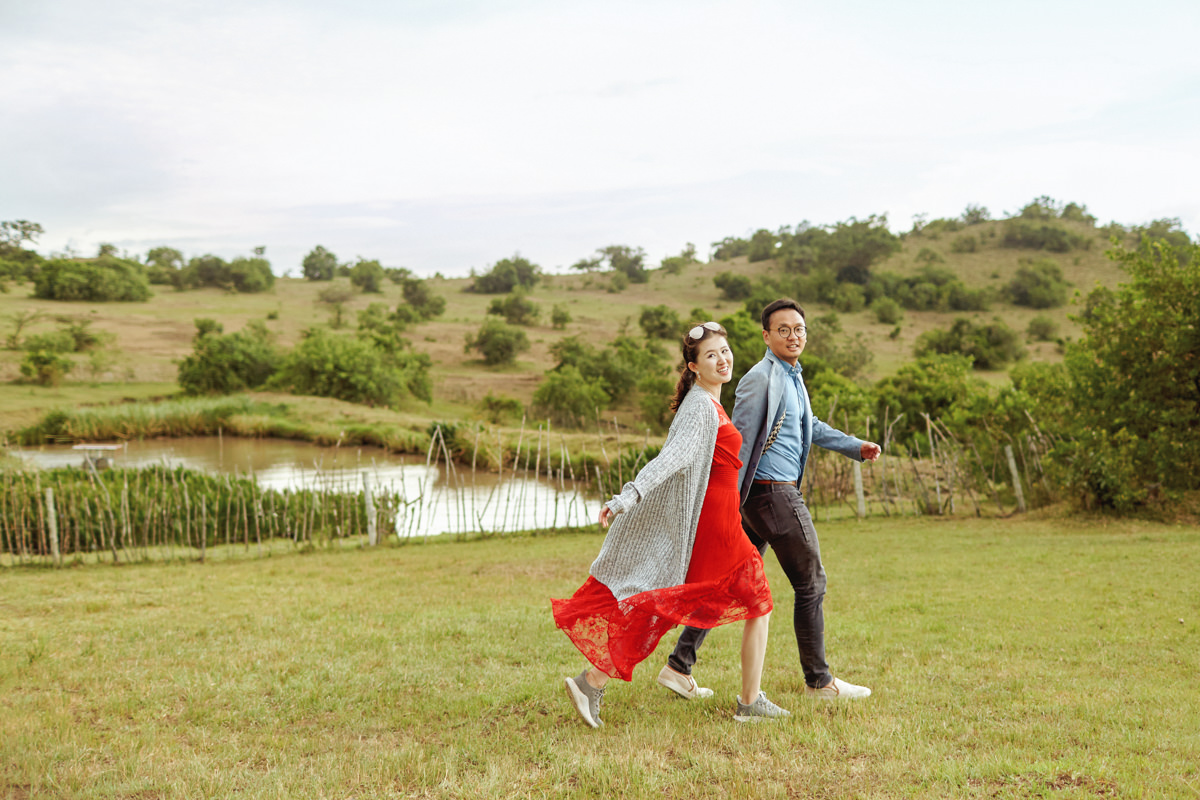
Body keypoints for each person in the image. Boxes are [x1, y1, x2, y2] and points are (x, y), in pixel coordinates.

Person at [551, 321, 789, 727]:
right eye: (711, 355)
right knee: (757, 599)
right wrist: (629, 496)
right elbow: (671, 459)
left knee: (669, 605)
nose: (722, 359)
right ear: (694, 366)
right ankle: (749, 703)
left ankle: (608, 680)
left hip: (718, 520)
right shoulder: (700, 408)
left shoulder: (708, 403)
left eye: (725, 351)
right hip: (717, 526)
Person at [662, 299, 882, 701]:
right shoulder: (760, 378)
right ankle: (820, 682)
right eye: (783, 329)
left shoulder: (792, 375)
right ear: (766, 336)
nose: (793, 335)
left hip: (765, 496)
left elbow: (808, 425)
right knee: (811, 581)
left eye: (798, 328)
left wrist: (854, 446)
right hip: (770, 493)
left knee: (726, 582)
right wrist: (730, 502)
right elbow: (739, 446)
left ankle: (679, 666)